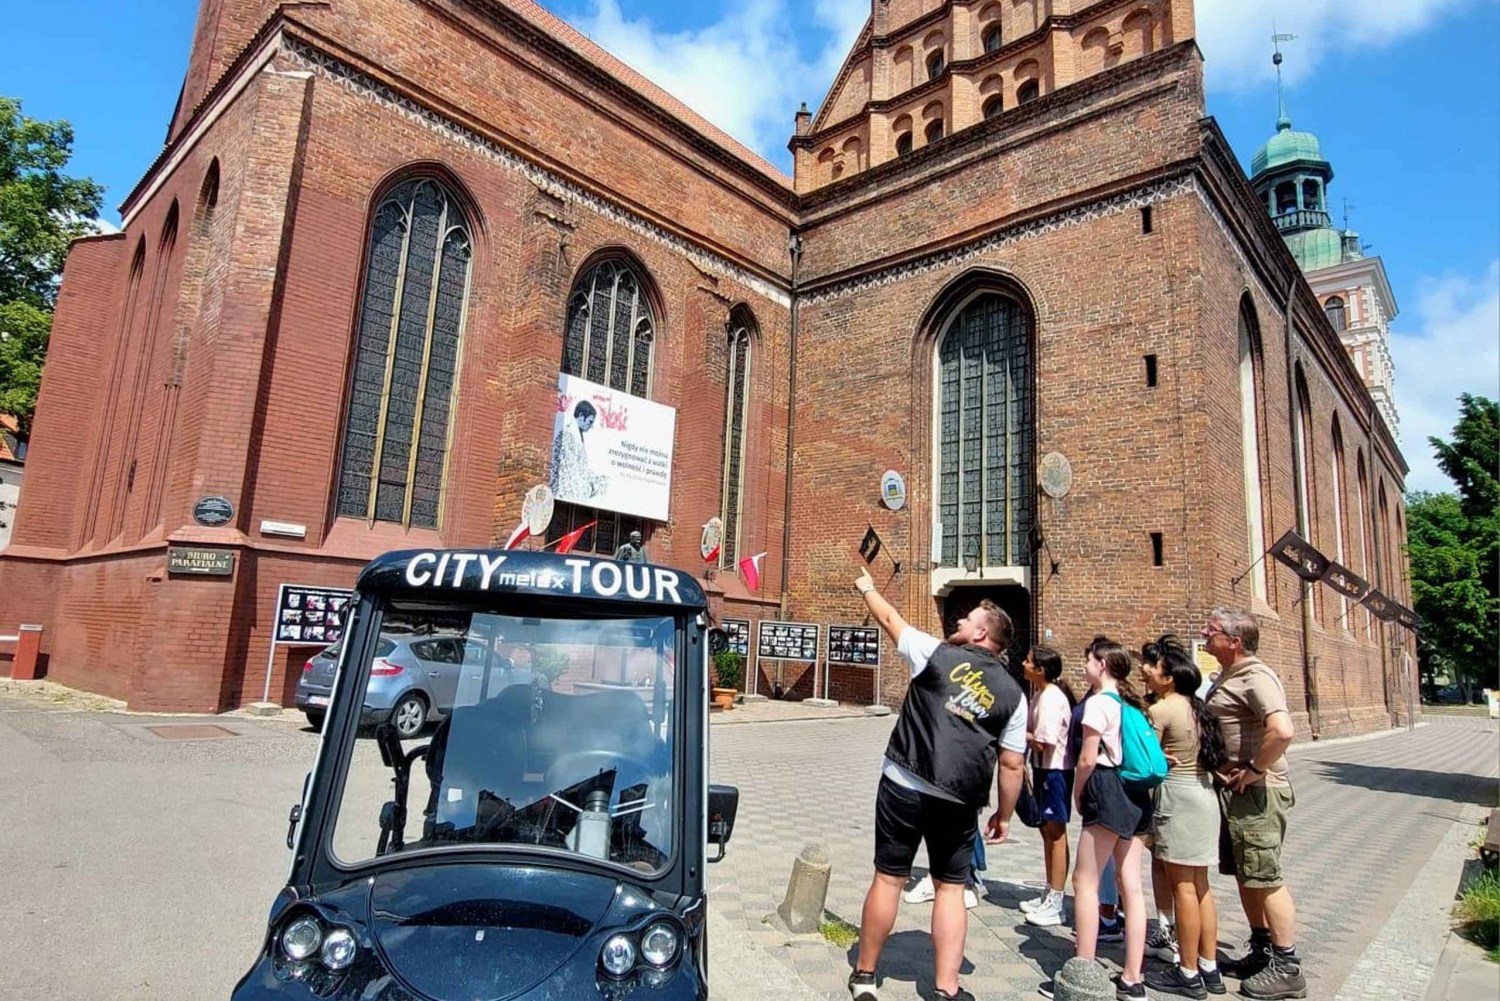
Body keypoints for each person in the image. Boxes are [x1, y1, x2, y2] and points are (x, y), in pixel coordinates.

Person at [848, 569, 1027, 1001]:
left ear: (982, 633)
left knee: (889, 879)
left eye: (969, 618)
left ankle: (865, 976)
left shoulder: (936, 654)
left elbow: (890, 620)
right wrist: (1004, 815)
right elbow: (1013, 764)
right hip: (958, 798)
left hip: (904, 781)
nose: (960, 621)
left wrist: (868, 588)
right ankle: (947, 988)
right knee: (951, 887)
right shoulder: (1014, 694)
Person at [1200, 609, 1306, 1000]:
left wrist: (1255, 768)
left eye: (1212, 631)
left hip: (1258, 794)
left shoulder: (1256, 676)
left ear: (1235, 641)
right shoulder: (1230, 675)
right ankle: (1262, 950)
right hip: (1238, 795)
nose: (1205, 635)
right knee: (1249, 874)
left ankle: (1287, 966)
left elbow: (1282, 730)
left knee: (1266, 876)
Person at [1142, 642, 1229, 998]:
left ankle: (1188, 971)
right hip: (1205, 797)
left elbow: (1148, 762)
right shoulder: (1200, 708)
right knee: (1201, 885)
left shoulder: (1162, 710)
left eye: (1154, 666)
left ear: (1169, 677)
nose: (1147, 670)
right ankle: (1209, 966)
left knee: (1183, 888)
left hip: (1177, 798)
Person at [1070, 638, 1153, 1000]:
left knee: (1085, 880)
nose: (1085, 665)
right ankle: (1133, 977)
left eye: (1088, 660)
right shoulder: (1131, 705)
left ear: (1102, 664)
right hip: (1136, 792)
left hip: (1106, 787)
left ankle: (1083, 970)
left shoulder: (1098, 705)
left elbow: (1088, 759)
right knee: (1131, 885)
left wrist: (1078, 792)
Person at [1019, 645, 1076, 928]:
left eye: (1029, 661)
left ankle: (1057, 901)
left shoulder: (1052, 698)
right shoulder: (1040, 694)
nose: (1023, 663)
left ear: (1041, 669)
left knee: (1055, 832)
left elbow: (1045, 741)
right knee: (1046, 830)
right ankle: (1049, 890)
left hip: (1055, 771)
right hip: (1043, 768)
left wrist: (1018, 732)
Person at [550, 400, 608, 501]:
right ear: (581, 416)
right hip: (564, 493)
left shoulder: (576, 436)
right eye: (590, 422)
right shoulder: (567, 436)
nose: (590, 426)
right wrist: (590, 487)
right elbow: (569, 472)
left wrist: (597, 480)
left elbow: (582, 468)